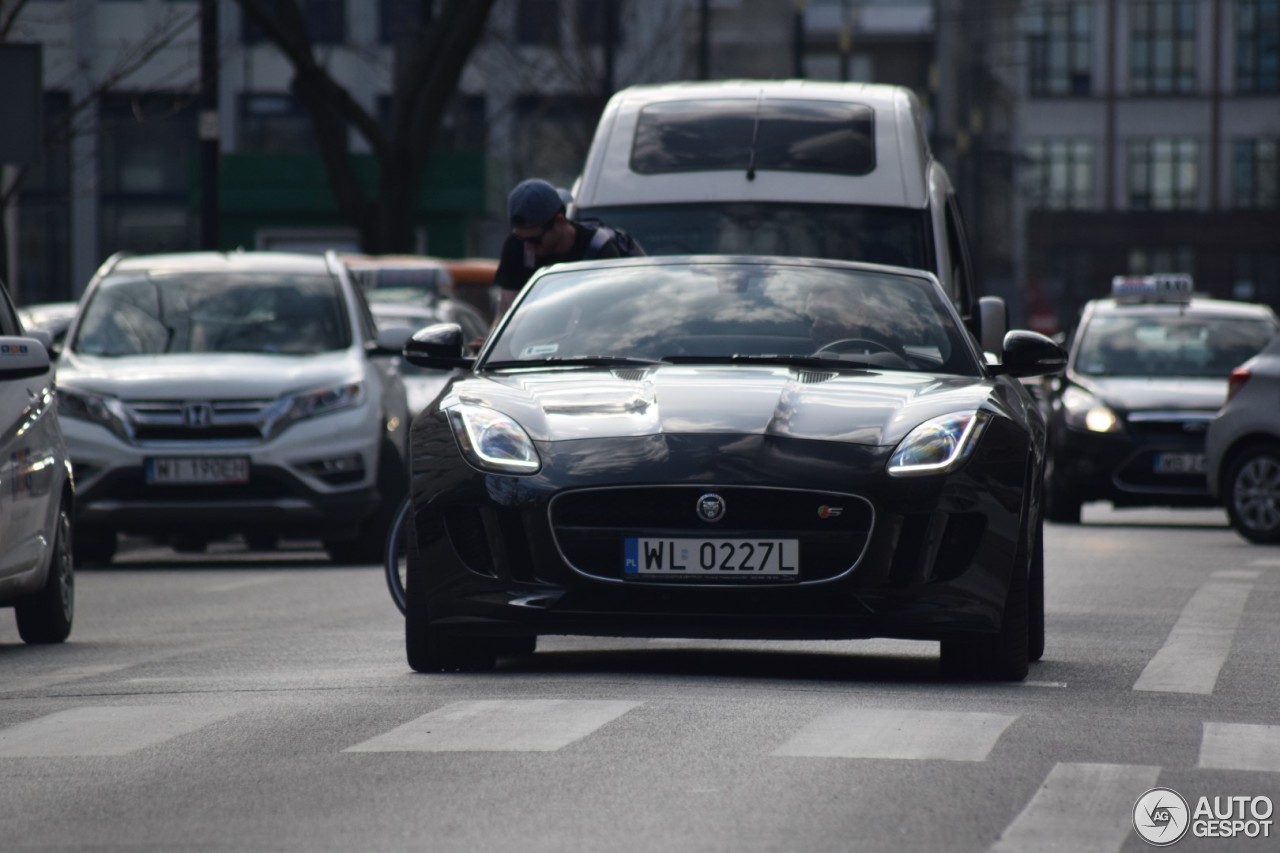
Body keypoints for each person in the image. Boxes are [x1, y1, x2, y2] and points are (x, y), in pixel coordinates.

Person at [492, 178, 645, 320]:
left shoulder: (599, 251)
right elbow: (507, 311)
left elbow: (611, 316)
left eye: (534, 240)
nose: (528, 247)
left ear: (559, 220)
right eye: (521, 239)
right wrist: (492, 342)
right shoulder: (516, 245)